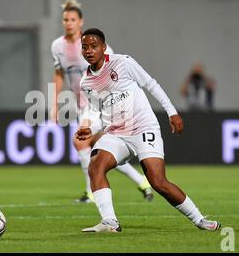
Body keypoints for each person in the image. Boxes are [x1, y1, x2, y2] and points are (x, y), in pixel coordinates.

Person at [76, 28, 221, 232]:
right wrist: (90, 129)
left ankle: (200, 220)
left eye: (93, 46)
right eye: (85, 47)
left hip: (143, 127)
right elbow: (100, 113)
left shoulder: (122, 62)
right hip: (116, 133)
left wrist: (172, 112)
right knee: (95, 166)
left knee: (158, 181)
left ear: (103, 47)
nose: (89, 51)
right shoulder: (86, 83)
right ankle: (110, 222)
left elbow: (151, 84)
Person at [50, 0, 154, 203]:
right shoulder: (57, 47)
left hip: (102, 104)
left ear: (81, 22)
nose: (68, 23)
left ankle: (90, 192)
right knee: (102, 150)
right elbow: (58, 76)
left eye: (72, 19)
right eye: (65, 19)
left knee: (80, 141)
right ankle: (142, 181)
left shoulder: (98, 47)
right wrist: (54, 106)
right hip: (81, 106)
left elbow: (116, 76)